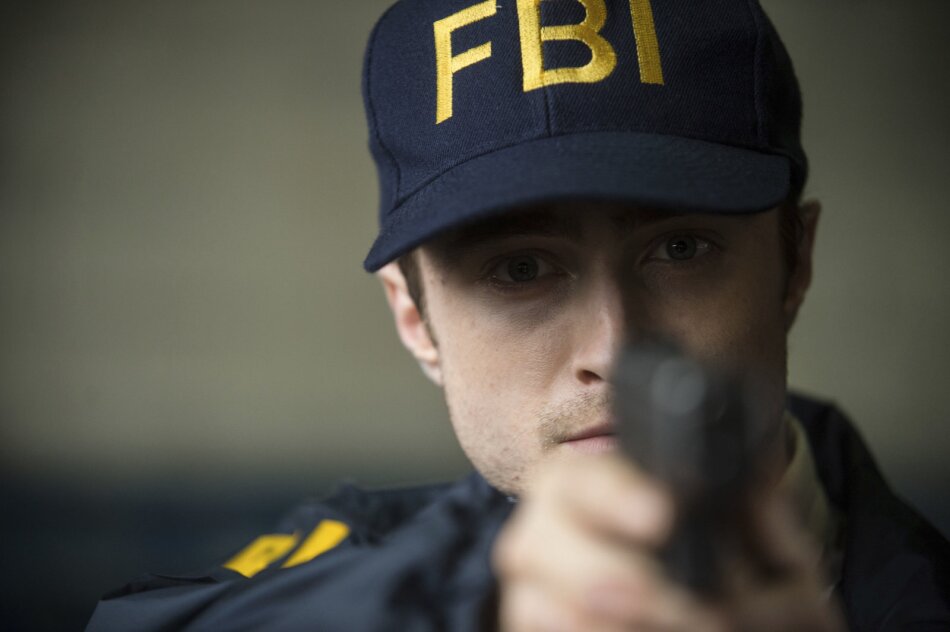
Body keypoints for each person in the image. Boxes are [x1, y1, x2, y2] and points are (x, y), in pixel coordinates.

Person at [86, 0, 949, 629]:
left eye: (681, 249)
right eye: (521, 269)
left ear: (795, 261)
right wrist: (472, 601)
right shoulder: (355, 565)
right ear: (415, 318)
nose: (615, 347)